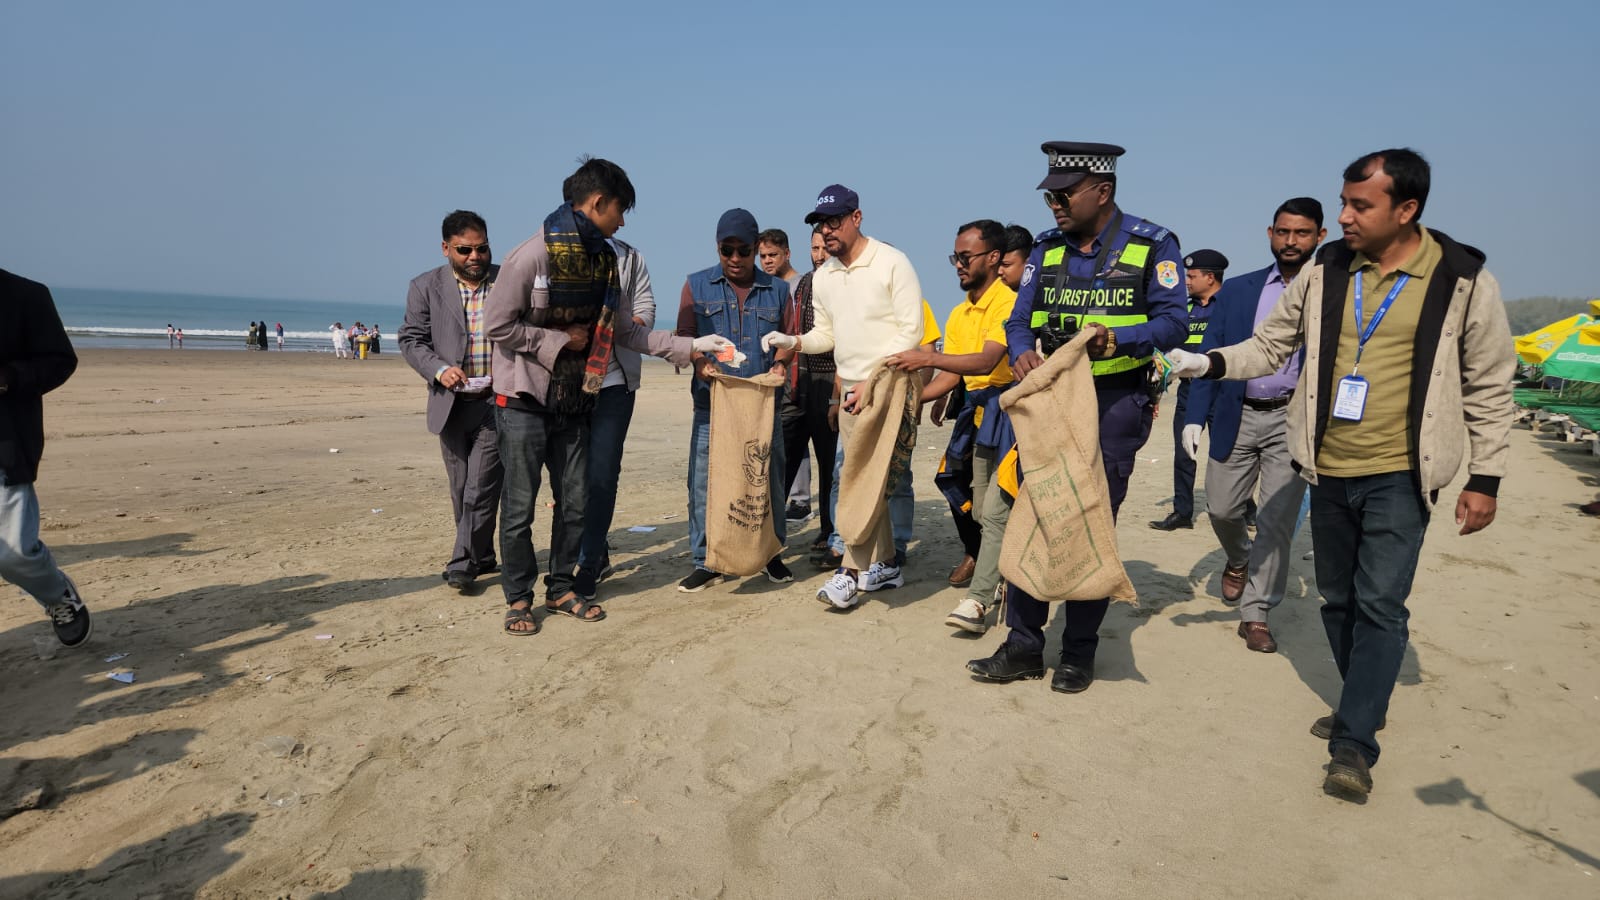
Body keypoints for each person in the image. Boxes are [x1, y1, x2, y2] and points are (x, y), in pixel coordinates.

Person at [1165, 148, 1515, 799]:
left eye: (1361, 206)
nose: (1345, 218)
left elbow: (1490, 384)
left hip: (1403, 476)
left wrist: (1485, 478)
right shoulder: (1327, 271)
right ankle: (1364, 697)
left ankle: (1354, 744)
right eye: (1345, 202)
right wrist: (1205, 363)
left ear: (1406, 210)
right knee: (1338, 599)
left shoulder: (1461, 278)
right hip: (1325, 466)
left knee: (1380, 604)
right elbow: (1271, 345)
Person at [966, 141, 1188, 693]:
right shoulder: (1045, 249)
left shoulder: (1152, 244)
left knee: (1089, 519)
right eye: (1050, 197)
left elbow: (1174, 323)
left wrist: (1121, 338)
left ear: (1102, 191)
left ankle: (1078, 653)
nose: (1055, 206)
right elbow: (1021, 319)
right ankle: (1022, 645)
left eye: (1064, 195)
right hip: (1051, 403)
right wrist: (1020, 349)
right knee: (1032, 510)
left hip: (1113, 404)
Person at [486, 156, 729, 635]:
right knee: (519, 506)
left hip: (575, 400)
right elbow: (497, 326)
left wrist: (693, 345)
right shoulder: (529, 257)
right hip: (524, 401)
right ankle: (518, 597)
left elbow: (628, 333)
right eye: (620, 211)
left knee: (575, 501)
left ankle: (560, 588)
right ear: (597, 203)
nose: (621, 222)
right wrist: (557, 341)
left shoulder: (604, 262)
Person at [763, 184, 924, 610]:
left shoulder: (892, 262)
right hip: (852, 390)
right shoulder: (824, 277)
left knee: (857, 482)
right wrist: (793, 342)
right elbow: (827, 337)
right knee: (869, 480)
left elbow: (911, 333)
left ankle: (849, 572)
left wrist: (874, 381)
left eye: (834, 220)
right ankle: (886, 563)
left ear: (857, 217)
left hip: (890, 387)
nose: (826, 230)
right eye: (820, 223)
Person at [1182, 199, 1325, 651]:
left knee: (1276, 521)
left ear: (1320, 237)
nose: (1291, 241)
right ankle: (1239, 558)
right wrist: (1192, 419)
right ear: (1269, 233)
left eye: (1302, 233)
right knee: (1222, 509)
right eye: (1283, 232)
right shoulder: (1239, 291)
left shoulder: (1332, 292)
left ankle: (1257, 614)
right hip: (1236, 413)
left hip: (1292, 419)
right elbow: (1211, 356)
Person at [886, 219, 1016, 591]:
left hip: (1006, 411)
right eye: (954, 258)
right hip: (974, 409)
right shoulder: (960, 312)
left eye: (965, 257)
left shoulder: (1007, 303)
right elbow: (952, 377)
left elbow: (986, 361)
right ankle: (976, 551)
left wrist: (926, 360)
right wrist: (907, 401)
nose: (959, 265)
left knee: (996, 503)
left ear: (993, 258)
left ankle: (993, 578)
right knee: (952, 481)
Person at [676, 210, 795, 592]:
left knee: (768, 481)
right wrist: (699, 363)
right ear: (718, 247)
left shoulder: (776, 290)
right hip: (712, 406)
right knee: (705, 484)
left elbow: (789, 340)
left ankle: (770, 554)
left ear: (755, 248)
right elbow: (685, 337)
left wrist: (779, 365)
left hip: (763, 407)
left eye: (743, 250)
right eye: (727, 250)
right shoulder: (696, 286)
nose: (735, 258)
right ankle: (706, 559)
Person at [400, 210, 504, 594]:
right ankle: (482, 553)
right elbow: (411, 339)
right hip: (451, 403)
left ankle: (461, 564)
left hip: (497, 402)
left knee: (480, 485)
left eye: (482, 248)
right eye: (465, 250)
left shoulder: (506, 281)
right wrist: (439, 369)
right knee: (461, 487)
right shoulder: (425, 286)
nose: (475, 257)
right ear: (446, 248)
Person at [1, 269, 92, 647]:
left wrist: (7, 377)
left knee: (14, 553)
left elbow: (59, 360)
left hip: (5, 442)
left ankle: (57, 594)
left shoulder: (25, 295)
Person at [573, 232, 664, 600]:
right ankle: (589, 548)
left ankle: (589, 559)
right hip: (566, 382)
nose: (622, 219)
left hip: (615, 383)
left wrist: (617, 326)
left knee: (603, 474)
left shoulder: (629, 257)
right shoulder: (558, 250)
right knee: (571, 474)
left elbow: (646, 306)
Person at [1151, 249, 1228, 531]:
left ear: (1210, 277)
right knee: (1184, 451)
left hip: (1221, 389)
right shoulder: (1186, 309)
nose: (1187, 281)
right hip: (1189, 390)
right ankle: (1182, 512)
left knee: (1227, 451)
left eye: (1192, 276)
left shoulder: (1229, 306)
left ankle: (1245, 508)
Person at [779, 226, 837, 547]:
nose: (819, 255)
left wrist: (836, 397)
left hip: (829, 382)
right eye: (815, 249)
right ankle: (771, 534)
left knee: (829, 464)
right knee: (783, 459)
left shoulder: (843, 284)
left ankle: (829, 531)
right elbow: (794, 330)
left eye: (825, 248)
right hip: (798, 383)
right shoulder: (803, 283)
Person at [996, 225, 1034, 291]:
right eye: (997, 264)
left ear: (1028, 263)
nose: (999, 271)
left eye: (1006, 265)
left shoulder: (1041, 295)